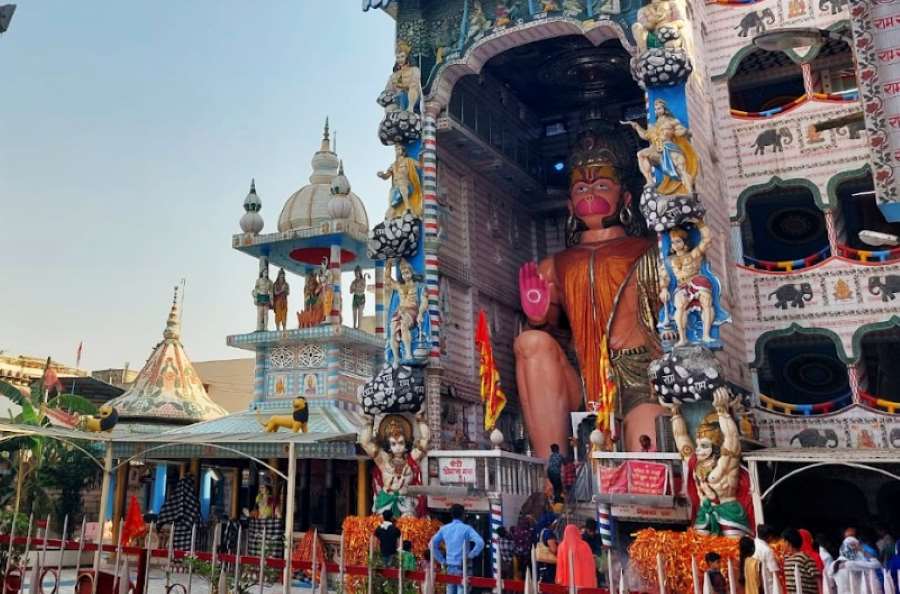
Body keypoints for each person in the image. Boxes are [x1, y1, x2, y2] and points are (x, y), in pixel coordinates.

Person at [430, 504, 485, 594]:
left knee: (450, 592)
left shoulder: (444, 529)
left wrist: (442, 561)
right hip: (463, 567)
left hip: (449, 567)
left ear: (452, 515)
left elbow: (431, 545)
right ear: (463, 515)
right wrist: (470, 556)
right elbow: (480, 543)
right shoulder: (467, 529)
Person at [556, 524, 598, 589]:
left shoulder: (561, 547)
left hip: (567, 583)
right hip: (584, 582)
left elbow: (560, 567)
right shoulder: (584, 545)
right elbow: (590, 565)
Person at [782, 528, 821, 594]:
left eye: (783, 541)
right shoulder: (786, 559)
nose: (782, 544)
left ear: (788, 542)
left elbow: (817, 579)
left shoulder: (804, 558)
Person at [755, 525, 783, 594]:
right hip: (769, 587)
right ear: (770, 536)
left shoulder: (753, 544)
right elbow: (774, 572)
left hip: (756, 585)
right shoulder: (767, 550)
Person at [536, 519, 560, 584]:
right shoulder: (548, 533)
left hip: (541, 565)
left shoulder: (541, 532)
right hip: (549, 566)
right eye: (554, 523)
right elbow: (554, 549)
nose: (555, 525)